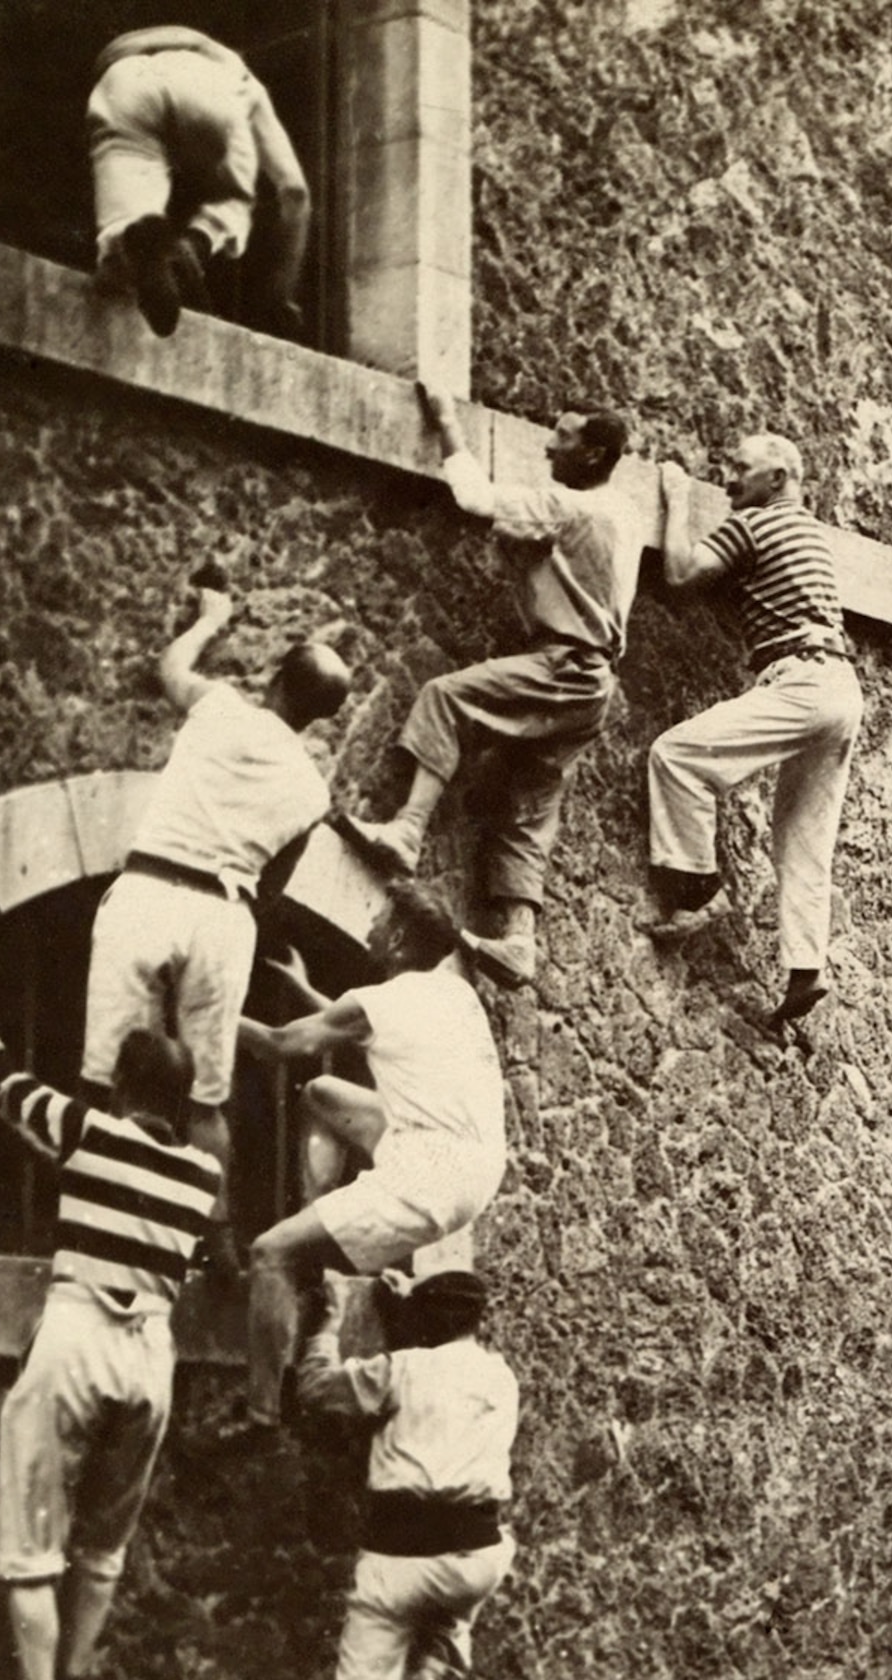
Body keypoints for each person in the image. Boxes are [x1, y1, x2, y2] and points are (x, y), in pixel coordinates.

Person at [0, 1018, 220, 1680]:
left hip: (78, 1331)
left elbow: (6, 1088)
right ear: (180, 1102)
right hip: (150, 1354)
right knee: (104, 1544)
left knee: (30, 1537)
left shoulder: (87, 1129)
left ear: (120, 1086)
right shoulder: (200, 1175)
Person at [335, 384, 649, 983]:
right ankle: (519, 943)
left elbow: (474, 498)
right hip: (594, 685)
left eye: (563, 436)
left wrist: (448, 420)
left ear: (590, 455)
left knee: (445, 697)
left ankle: (406, 830)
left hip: (565, 665)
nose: (549, 446)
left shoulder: (567, 507)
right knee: (530, 803)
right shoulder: (623, 513)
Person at [83, 571, 349, 1212]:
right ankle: (214, 1237)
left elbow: (169, 668)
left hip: (151, 888)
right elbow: (272, 889)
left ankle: (105, 1206)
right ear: (320, 718)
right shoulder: (313, 792)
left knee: (105, 1077)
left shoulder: (220, 707)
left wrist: (210, 618)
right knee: (208, 1094)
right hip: (226, 913)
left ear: (276, 681)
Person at [237, 884, 507, 1430]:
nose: (370, 927)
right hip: (473, 1164)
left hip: (427, 1170)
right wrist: (310, 992)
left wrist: (205, 1009)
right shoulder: (455, 994)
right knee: (322, 1096)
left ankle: (259, 1412)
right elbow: (369, 1026)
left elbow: (280, 1043)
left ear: (401, 936)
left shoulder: (381, 1002)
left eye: (381, 918)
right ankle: (321, 1225)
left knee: (270, 1252)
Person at [294, 1268, 519, 1680]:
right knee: (500, 1546)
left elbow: (317, 1390)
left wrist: (330, 1321)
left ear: (423, 1324)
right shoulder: (501, 1378)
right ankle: (441, 1652)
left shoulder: (398, 1371)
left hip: (397, 1562)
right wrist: (409, 1316)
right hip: (472, 1559)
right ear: (477, 1321)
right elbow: (439, 1377)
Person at [639, 433, 867, 1030]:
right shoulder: (812, 532)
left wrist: (676, 497)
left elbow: (683, 573)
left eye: (742, 469)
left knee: (677, 754)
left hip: (798, 680)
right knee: (802, 840)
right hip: (841, 687)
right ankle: (805, 970)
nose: (729, 476)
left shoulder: (757, 524)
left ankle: (698, 891)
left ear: (778, 479)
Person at [85, 25, 310, 339]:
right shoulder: (241, 78)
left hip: (121, 81)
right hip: (210, 92)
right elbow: (295, 192)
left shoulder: (154, 42)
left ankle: (128, 247)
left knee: (127, 210)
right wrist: (280, 294)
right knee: (233, 199)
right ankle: (190, 248)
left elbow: (109, 57)